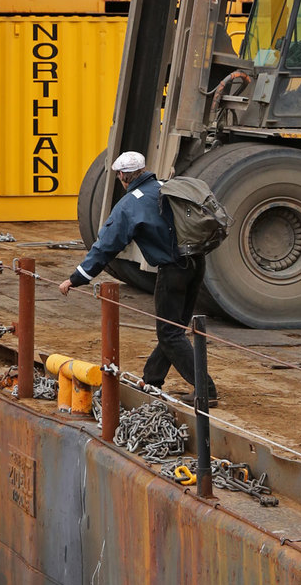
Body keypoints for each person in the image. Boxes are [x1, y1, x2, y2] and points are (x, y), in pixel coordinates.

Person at [58, 152, 218, 406]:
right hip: (196, 263)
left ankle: (206, 390)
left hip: (172, 270)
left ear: (122, 175)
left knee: (170, 332)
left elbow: (106, 246)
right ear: (144, 169)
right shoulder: (166, 186)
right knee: (173, 329)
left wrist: (76, 278)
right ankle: (152, 380)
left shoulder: (130, 204)